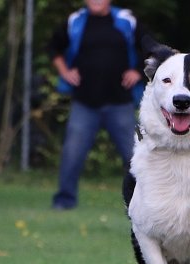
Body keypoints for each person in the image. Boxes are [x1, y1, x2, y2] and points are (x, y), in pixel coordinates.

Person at [48, 0, 146, 210]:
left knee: (137, 156)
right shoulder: (74, 21)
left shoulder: (127, 20)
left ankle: (147, 203)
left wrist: (137, 71)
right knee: (72, 154)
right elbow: (54, 48)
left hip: (120, 103)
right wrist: (65, 71)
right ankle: (64, 200)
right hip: (84, 103)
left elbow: (149, 48)